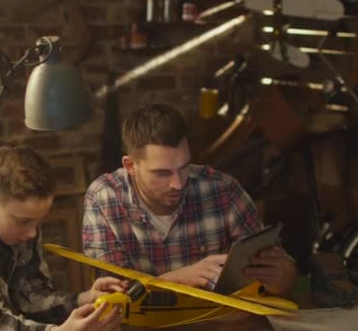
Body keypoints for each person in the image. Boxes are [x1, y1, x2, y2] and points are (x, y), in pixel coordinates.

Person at [83, 104, 297, 295]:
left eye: (184, 167)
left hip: (216, 323)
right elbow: (114, 298)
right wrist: (179, 278)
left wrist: (284, 275)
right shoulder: (105, 198)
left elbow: (277, 279)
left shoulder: (223, 189)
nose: (178, 183)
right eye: (162, 173)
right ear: (130, 166)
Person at [0, 145, 124, 331]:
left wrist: (84, 298)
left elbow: (32, 296)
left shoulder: (25, 225)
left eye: (38, 222)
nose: (32, 233)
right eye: (24, 221)